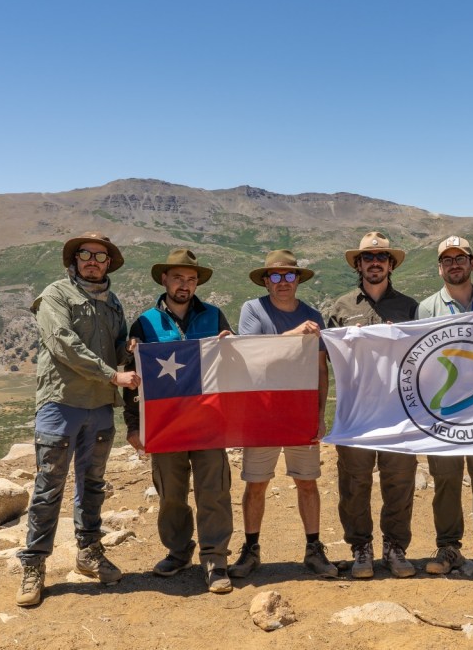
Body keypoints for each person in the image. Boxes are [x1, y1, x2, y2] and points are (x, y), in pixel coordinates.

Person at [16, 232, 140, 607]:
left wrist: (129, 350)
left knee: (93, 484)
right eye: (84, 254)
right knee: (49, 485)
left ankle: (88, 553)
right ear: (74, 260)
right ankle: (34, 565)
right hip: (61, 403)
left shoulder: (113, 302)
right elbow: (61, 342)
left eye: (99, 255)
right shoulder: (56, 295)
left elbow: (115, 348)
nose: (91, 260)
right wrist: (112, 375)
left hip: (100, 406)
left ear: (108, 262)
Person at [123, 248, 235, 594]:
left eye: (190, 278)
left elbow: (233, 368)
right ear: (164, 279)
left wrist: (231, 347)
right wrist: (133, 425)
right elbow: (132, 376)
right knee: (171, 493)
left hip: (208, 422)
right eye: (177, 277)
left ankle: (215, 558)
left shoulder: (215, 317)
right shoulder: (144, 323)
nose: (184, 284)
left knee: (213, 490)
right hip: (166, 423)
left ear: (197, 282)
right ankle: (178, 550)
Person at [227, 249, 338, 580]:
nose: (283, 282)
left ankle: (314, 548)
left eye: (289, 276)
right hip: (260, 412)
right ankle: (251, 548)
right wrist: (292, 337)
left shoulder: (313, 315)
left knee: (307, 482)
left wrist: (319, 416)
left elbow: (321, 370)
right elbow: (250, 353)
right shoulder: (252, 309)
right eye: (275, 276)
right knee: (256, 484)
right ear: (266, 281)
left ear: (298, 279)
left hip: (299, 410)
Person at [324, 231, 419, 579]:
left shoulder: (410, 308)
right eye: (368, 258)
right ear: (358, 265)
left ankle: (396, 547)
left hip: (399, 412)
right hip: (356, 413)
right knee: (354, 484)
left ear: (390, 264)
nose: (374, 263)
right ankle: (360, 547)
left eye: (381, 258)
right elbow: (328, 358)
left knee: (400, 482)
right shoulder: (340, 308)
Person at [416, 236, 473, 581]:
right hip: (445, 412)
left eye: (461, 258)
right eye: (447, 259)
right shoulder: (427, 308)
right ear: (440, 267)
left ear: (472, 263)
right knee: (445, 480)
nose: (454, 264)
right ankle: (448, 547)